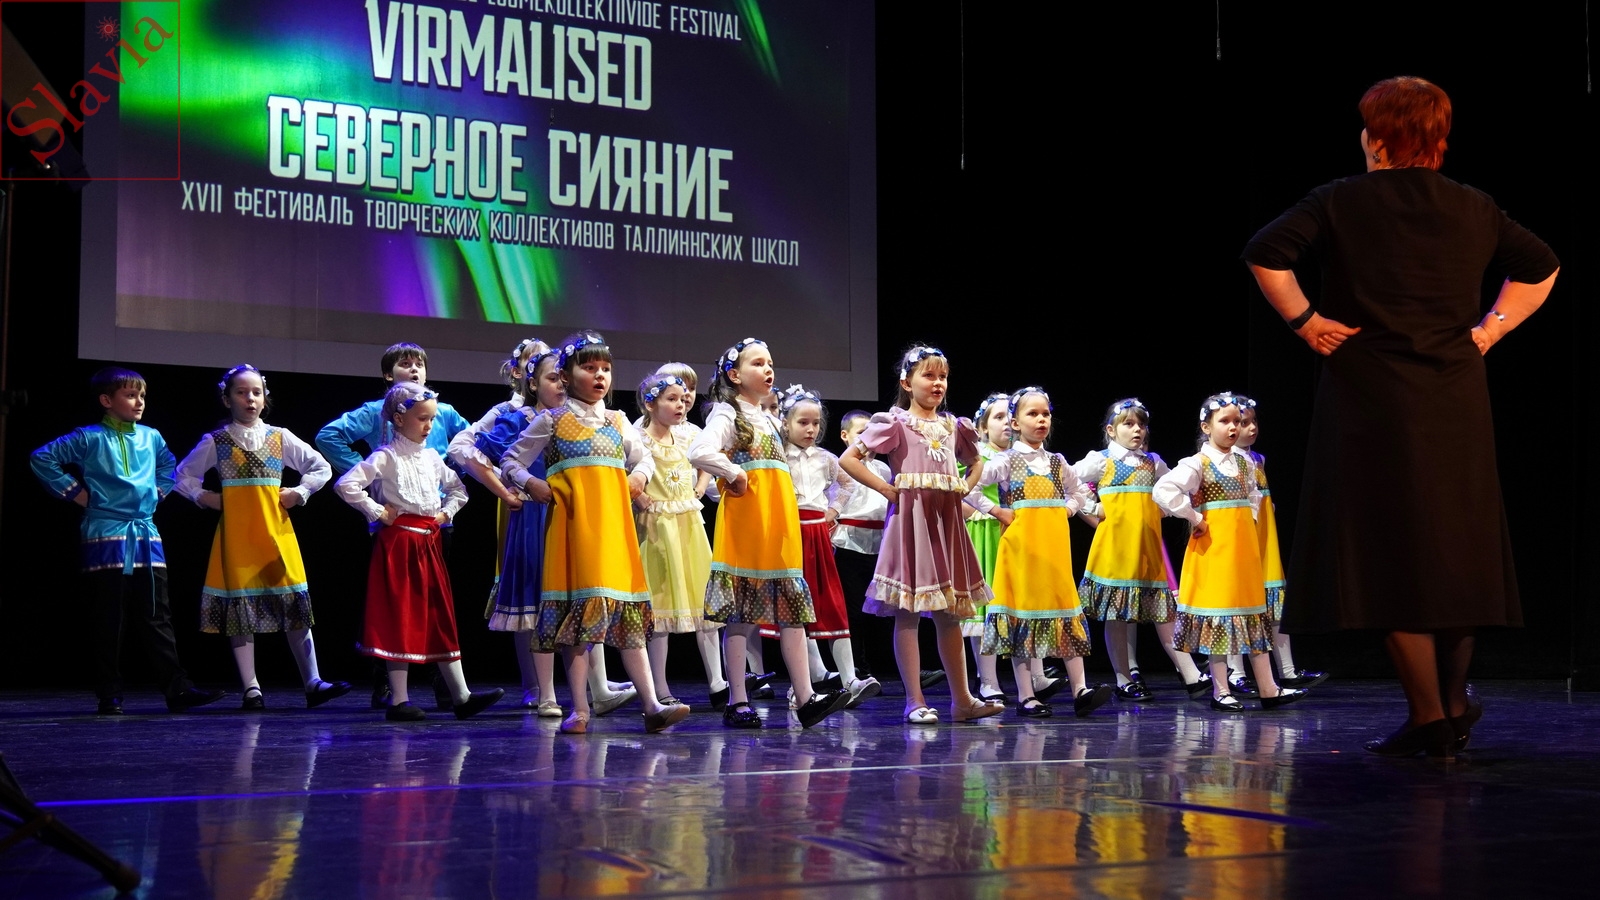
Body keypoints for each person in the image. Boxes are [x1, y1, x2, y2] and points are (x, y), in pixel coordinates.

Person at [1244, 75, 1559, 755]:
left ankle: (1428, 717)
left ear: (1379, 138)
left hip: (1372, 396)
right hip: (1455, 396)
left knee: (1386, 549)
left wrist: (1306, 321)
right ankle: (1450, 702)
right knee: (1453, 546)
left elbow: (1265, 252)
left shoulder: (1340, 199)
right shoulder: (1473, 205)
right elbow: (1541, 266)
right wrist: (1490, 330)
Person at [500, 330, 690, 735]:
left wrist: (639, 477)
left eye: (605, 368)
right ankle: (581, 709)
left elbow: (644, 458)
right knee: (578, 620)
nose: (600, 375)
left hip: (614, 531)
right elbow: (511, 460)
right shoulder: (551, 421)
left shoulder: (617, 421)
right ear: (567, 376)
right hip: (574, 533)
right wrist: (531, 483)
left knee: (627, 618)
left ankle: (652, 704)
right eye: (589, 368)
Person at [30, 367, 226, 715]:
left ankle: (177, 689)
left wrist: (157, 492)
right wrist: (76, 493)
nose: (139, 402)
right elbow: (42, 457)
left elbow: (168, 466)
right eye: (131, 395)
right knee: (109, 617)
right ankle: (109, 694)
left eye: (142, 396)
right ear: (107, 400)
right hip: (106, 533)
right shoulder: (89, 437)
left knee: (157, 615)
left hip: (145, 533)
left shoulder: (151, 437)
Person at [687, 337, 850, 729]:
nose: (768, 369)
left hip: (779, 527)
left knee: (792, 612)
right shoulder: (728, 414)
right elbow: (700, 450)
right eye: (758, 363)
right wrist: (733, 473)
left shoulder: (770, 420)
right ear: (734, 374)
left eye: (770, 363)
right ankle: (737, 700)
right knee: (742, 615)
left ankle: (806, 698)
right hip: (748, 528)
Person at [838, 345, 1005, 726]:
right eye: (928, 375)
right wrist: (887, 489)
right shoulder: (895, 423)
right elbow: (849, 459)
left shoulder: (954, 426)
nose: (937, 383)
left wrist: (964, 488)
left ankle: (963, 700)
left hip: (945, 525)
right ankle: (914, 701)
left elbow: (976, 463)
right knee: (909, 613)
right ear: (907, 383)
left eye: (942, 376)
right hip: (911, 524)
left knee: (950, 614)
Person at [174, 364, 351, 710]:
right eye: (241, 392)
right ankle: (251, 688)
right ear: (227, 399)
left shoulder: (279, 437)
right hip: (238, 537)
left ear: (265, 397)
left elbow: (320, 467)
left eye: (256, 392)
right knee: (241, 611)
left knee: (294, 604)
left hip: (276, 532)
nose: (250, 399)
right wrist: (205, 497)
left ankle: (313, 681)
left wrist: (299, 492)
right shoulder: (217, 441)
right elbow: (183, 475)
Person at [316, 341, 472, 709]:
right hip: (397, 535)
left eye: (420, 364)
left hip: (431, 533)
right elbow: (339, 462)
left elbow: (467, 454)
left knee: (436, 610)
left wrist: (446, 508)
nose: (415, 369)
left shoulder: (439, 428)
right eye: (406, 364)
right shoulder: (380, 432)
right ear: (389, 375)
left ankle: (454, 692)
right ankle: (394, 693)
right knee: (396, 610)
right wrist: (375, 501)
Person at [334, 381, 503, 722]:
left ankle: (461, 695)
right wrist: (378, 511)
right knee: (400, 616)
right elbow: (346, 484)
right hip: (399, 545)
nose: (428, 425)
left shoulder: (431, 457)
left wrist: (445, 514)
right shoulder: (386, 456)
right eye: (422, 419)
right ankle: (399, 699)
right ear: (399, 419)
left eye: (432, 419)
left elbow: (458, 490)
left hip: (428, 544)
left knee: (440, 615)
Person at [1152, 394, 1307, 712]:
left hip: (1243, 552)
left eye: (1237, 421)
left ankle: (1268, 688)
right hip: (1215, 552)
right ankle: (1221, 690)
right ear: (1206, 427)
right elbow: (1163, 490)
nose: (1233, 427)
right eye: (1224, 421)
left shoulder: (1244, 462)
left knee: (1254, 616)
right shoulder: (1198, 463)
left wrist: (1250, 522)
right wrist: (1194, 517)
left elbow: (1253, 495)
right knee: (1219, 620)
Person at [967, 387, 1112, 718]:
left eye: (1045, 413)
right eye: (1032, 414)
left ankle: (1080, 690)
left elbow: (1079, 491)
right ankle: (1026, 695)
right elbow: (970, 485)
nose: (1041, 419)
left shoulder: (1057, 462)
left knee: (1064, 611)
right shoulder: (1007, 460)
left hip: (1054, 551)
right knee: (1023, 616)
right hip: (1021, 551)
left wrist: (1068, 509)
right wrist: (997, 510)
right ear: (1016, 423)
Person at [449, 343, 562, 716]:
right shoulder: (508, 413)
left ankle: (592, 685)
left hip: (561, 508)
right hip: (525, 506)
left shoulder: (568, 412)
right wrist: (504, 488)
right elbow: (463, 447)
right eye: (535, 362)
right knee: (527, 593)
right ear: (522, 373)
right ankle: (534, 686)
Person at [1072, 398, 1207, 700]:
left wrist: (1165, 509)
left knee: (1164, 612)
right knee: (1117, 615)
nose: (1137, 430)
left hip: (1147, 549)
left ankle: (1191, 675)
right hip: (1115, 549)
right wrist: (1092, 506)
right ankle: (1124, 679)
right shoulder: (1101, 460)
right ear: (1111, 430)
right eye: (1129, 424)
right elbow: (1066, 480)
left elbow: (1176, 488)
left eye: (1142, 425)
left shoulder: (1153, 462)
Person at [774, 384, 881, 708]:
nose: (810, 429)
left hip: (818, 536)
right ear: (785, 424)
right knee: (797, 610)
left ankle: (850, 679)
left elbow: (847, 484)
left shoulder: (826, 458)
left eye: (815, 423)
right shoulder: (778, 457)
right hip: (789, 537)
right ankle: (802, 685)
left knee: (831, 604)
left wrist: (832, 512)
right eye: (802, 422)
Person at [1224, 398, 1328, 694]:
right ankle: (1235, 672)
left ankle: (1288, 671)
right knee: (1238, 605)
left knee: (1274, 605)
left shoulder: (1258, 459)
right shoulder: (1225, 461)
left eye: (1253, 421)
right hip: (1241, 540)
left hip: (1265, 540)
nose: (1251, 428)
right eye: (1243, 423)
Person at [634, 373, 725, 709]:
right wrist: (639, 497)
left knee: (704, 604)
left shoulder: (688, 436)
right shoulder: (638, 438)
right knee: (658, 611)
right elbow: (624, 472)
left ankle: (718, 681)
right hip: (656, 528)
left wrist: (700, 487)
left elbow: (705, 461)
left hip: (688, 525)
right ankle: (659, 687)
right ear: (650, 404)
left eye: (683, 399)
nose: (680, 405)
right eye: (671, 399)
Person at [831, 410, 895, 682]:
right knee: (853, 610)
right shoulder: (837, 466)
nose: (868, 439)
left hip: (881, 544)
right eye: (861, 433)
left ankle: (896, 667)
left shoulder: (884, 469)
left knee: (887, 611)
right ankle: (857, 668)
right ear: (845, 436)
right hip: (849, 543)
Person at [960, 393, 1010, 702]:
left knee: (1020, 604)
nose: (1007, 424)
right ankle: (988, 680)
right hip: (985, 535)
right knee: (985, 608)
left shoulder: (1023, 456)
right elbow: (958, 492)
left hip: (1017, 536)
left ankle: (1035, 675)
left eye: (1010, 417)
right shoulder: (977, 458)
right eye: (999, 417)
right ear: (982, 427)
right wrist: (981, 513)